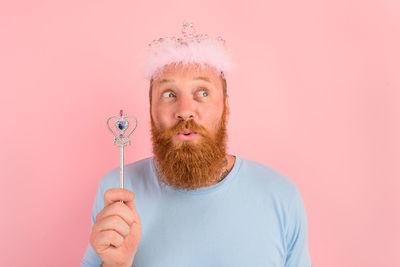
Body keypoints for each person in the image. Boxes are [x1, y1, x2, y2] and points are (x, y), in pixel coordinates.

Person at [81, 22, 312, 267]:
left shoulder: (281, 196)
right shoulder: (118, 191)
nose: (185, 111)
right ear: (150, 109)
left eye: (202, 92)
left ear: (226, 107)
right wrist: (116, 264)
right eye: (169, 94)